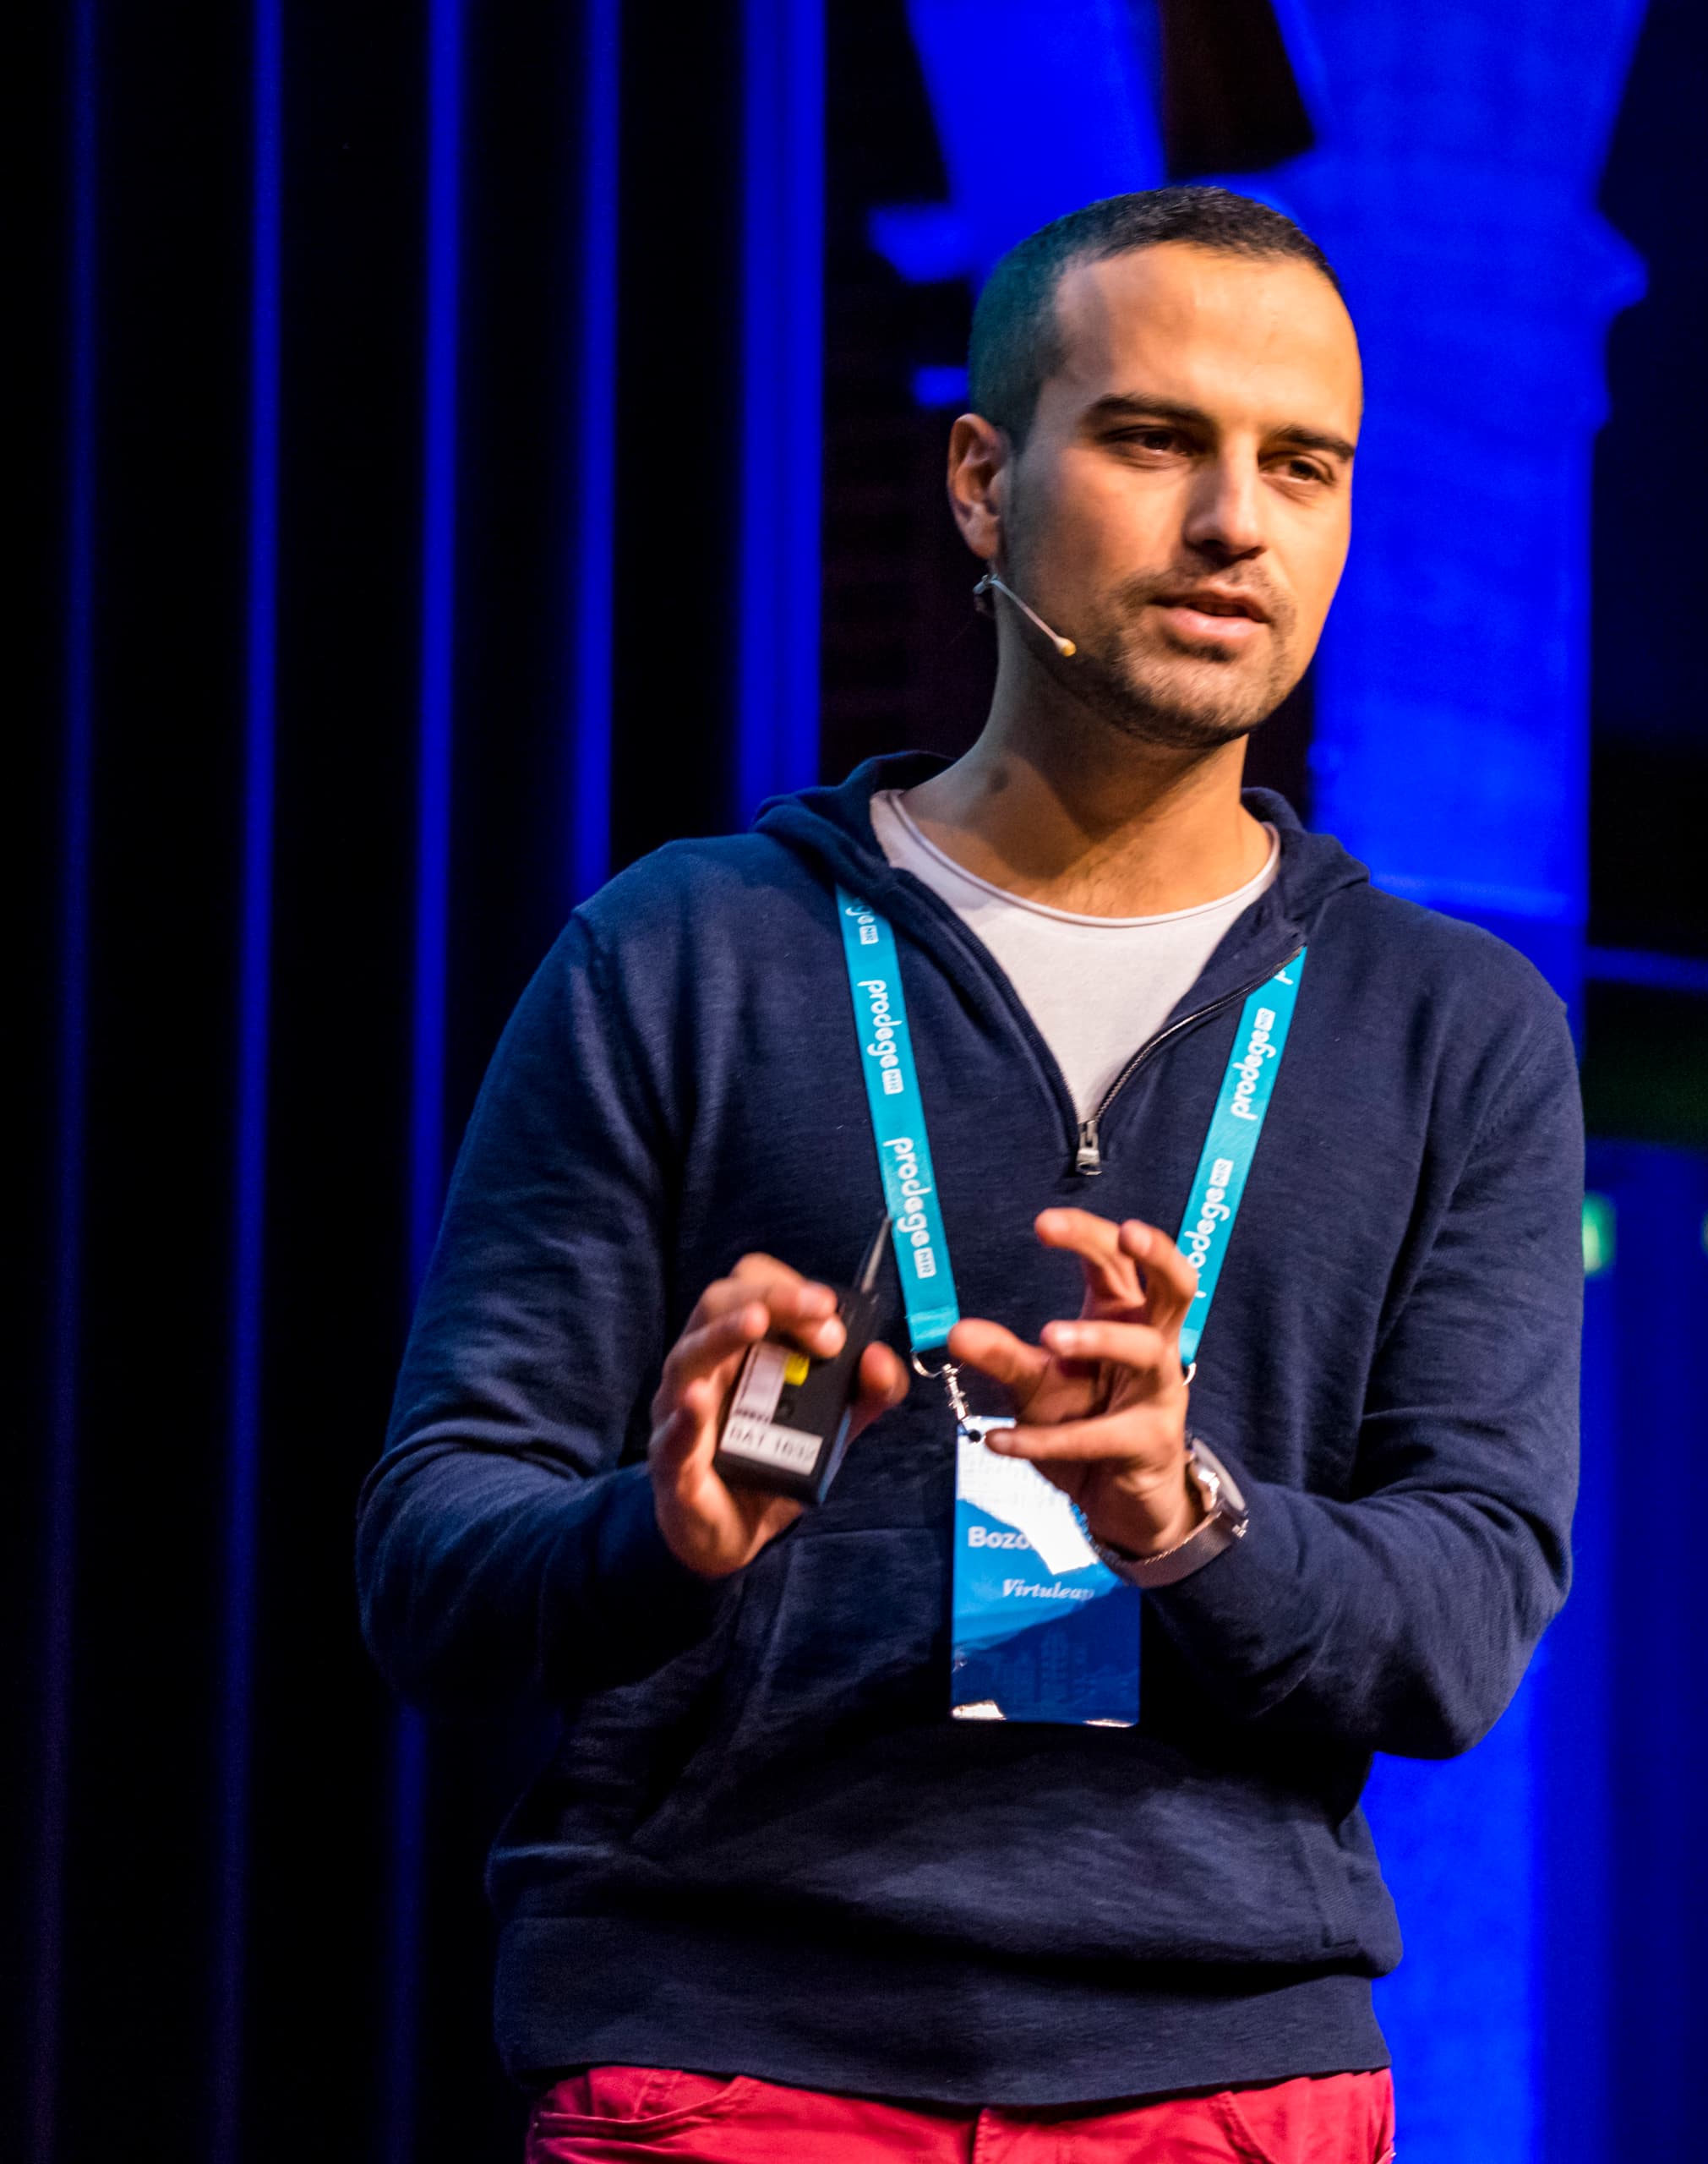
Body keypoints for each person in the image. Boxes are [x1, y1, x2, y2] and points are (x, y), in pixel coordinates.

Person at [357, 186, 1580, 2161]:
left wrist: (1185, 1512)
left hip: (1219, 2085)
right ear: (983, 482)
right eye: (1155, 438)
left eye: (1304, 463)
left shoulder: (1452, 1028)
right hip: (729, 2054)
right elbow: (433, 1566)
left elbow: (1461, 1618)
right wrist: (668, 1531)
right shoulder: (693, 952)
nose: (1236, 523)